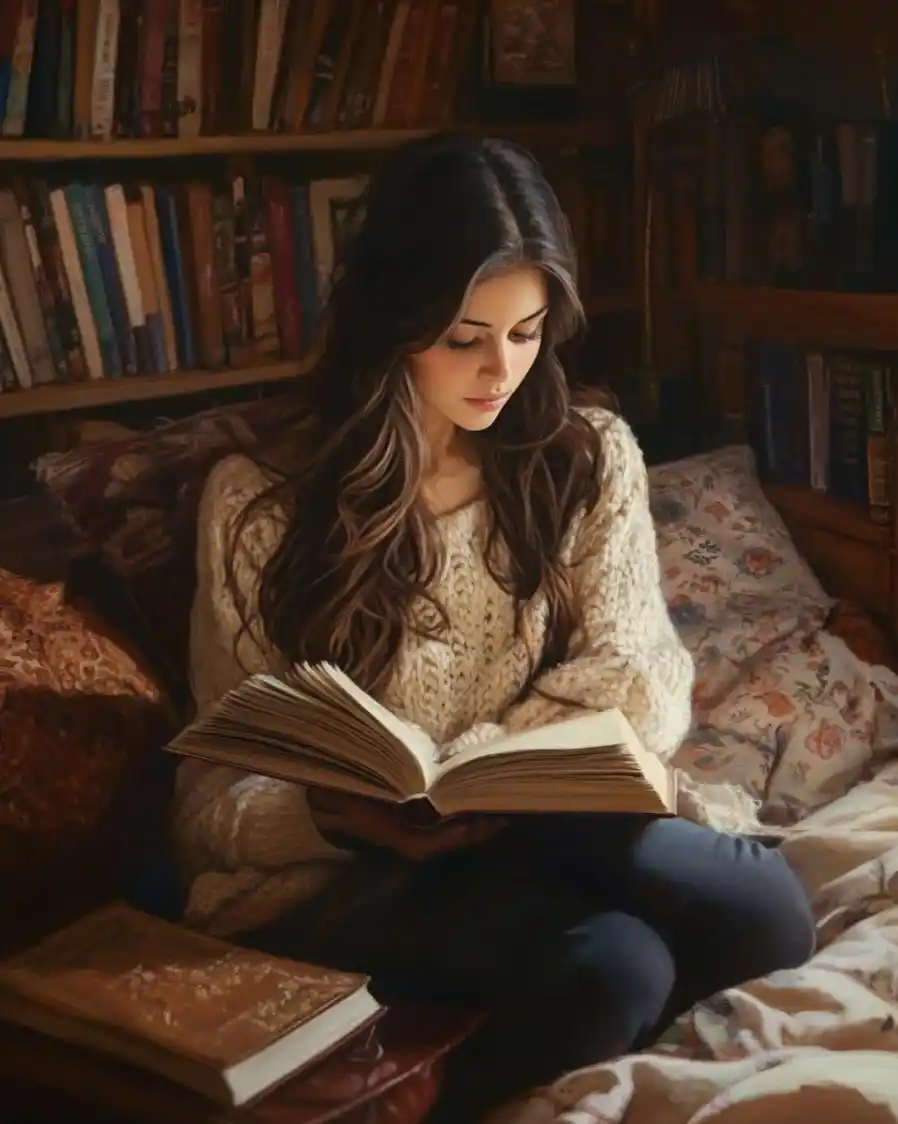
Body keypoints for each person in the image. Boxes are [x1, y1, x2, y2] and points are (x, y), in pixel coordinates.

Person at [173, 132, 815, 1123]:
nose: (501, 369)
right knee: (618, 965)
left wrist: (487, 766)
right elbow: (211, 794)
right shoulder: (259, 504)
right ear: (394, 317)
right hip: (358, 869)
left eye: (527, 332)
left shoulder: (585, 458)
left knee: (766, 908)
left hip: (543, 819)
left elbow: (639, 679)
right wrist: (343, 814)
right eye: (466, 336)